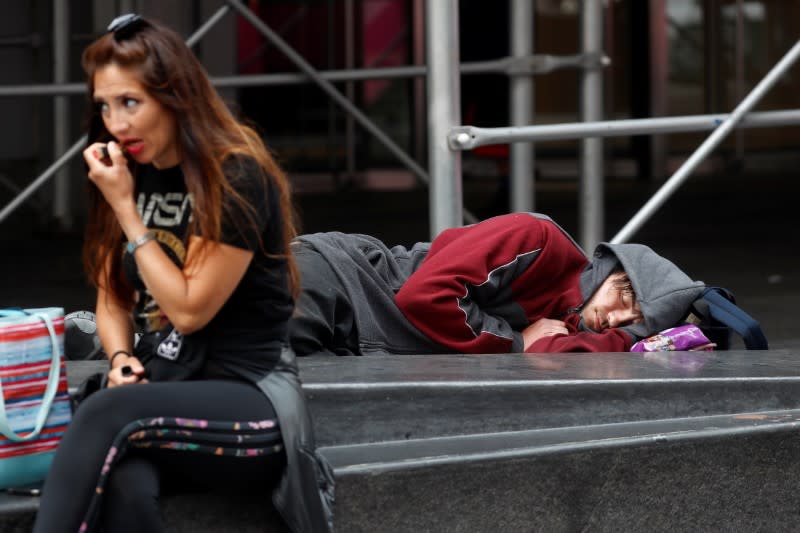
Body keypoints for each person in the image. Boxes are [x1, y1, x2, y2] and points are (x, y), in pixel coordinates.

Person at [34, 14, 331, 533]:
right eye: (104, 106)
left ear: (175, 96)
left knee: (104, 414)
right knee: (125, 484)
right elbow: (113, 298)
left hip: (250, 398)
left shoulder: (235, 175)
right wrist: (123, 357)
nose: (116, 123)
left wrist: (128, 211)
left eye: (131, 103)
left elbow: (190, 310)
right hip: (163, 383)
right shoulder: (128, 170)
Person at [289, 212, 705, 356]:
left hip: (355, 340)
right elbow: (426, 296)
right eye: (623, 295)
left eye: (628, 322)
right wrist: (517, 343)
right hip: (339, 281)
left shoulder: (567, 323)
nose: (611, 319)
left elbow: (570, 351)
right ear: (612, 266)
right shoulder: (538, 240)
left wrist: (663, 340)